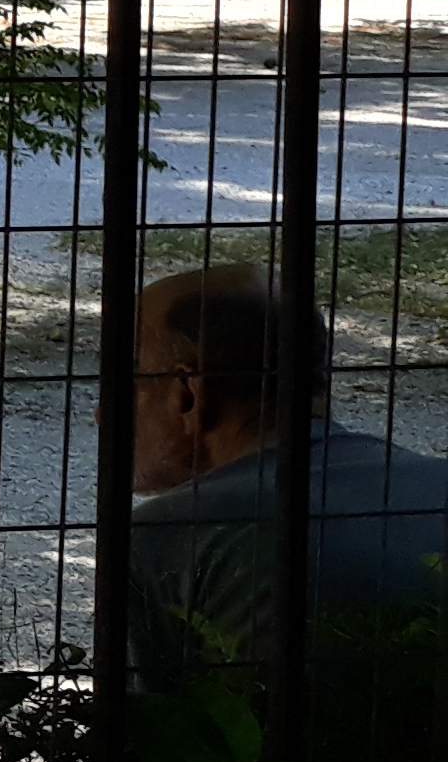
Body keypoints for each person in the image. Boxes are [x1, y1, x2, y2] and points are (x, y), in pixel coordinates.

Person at [129, 263, 448, 688]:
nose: (100, 413)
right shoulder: (438, 483)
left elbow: (144, 723)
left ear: (188, 393)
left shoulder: (166, 536)